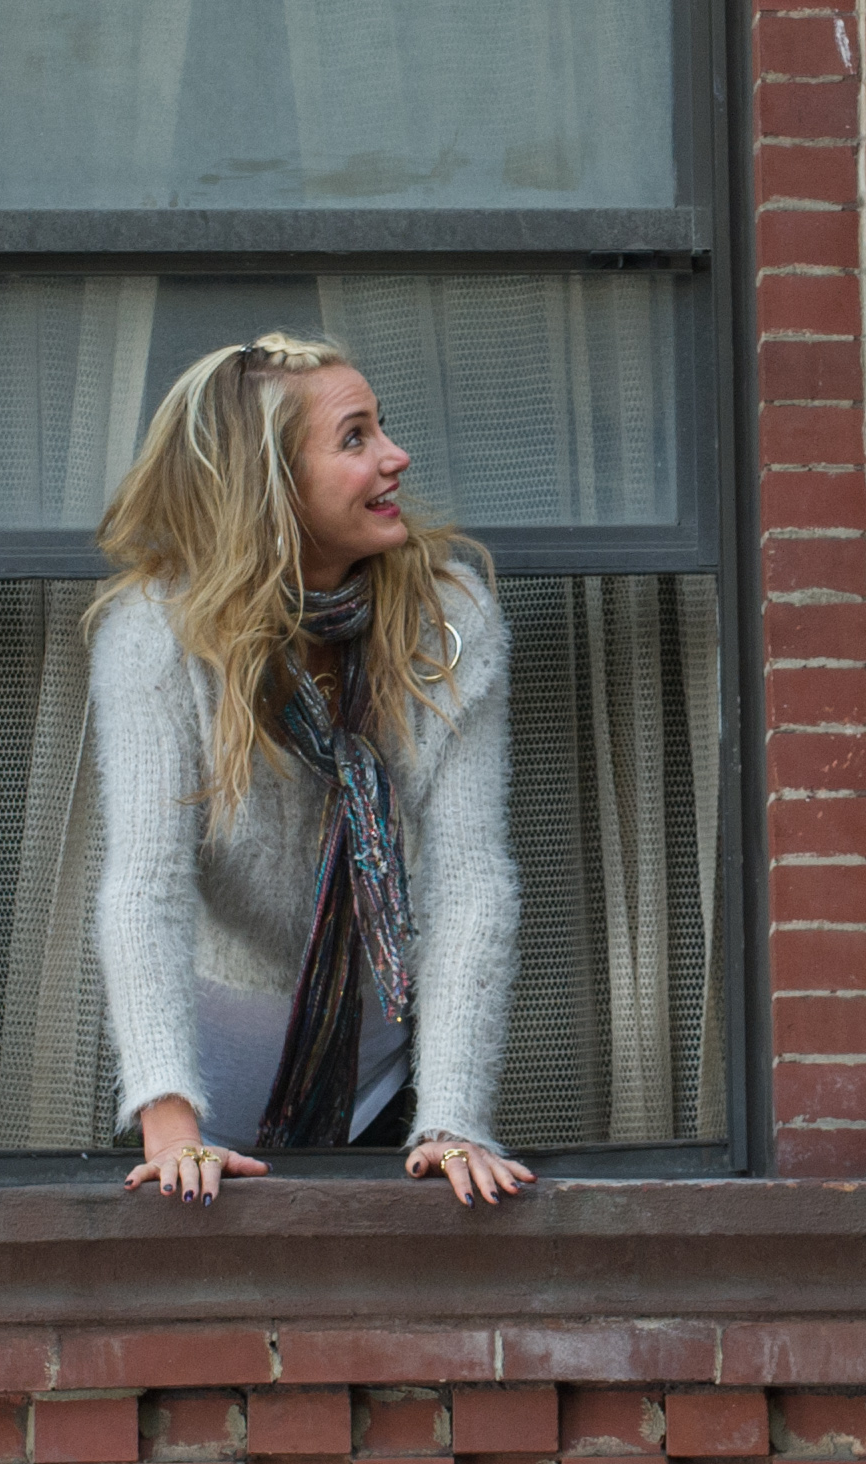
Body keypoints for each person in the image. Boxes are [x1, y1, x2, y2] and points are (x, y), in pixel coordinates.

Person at [87, 332, 534, 1202]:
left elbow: (469, 879)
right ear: (270, 483)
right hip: (198, 1081)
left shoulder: (449, 620)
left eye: (382, 427)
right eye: (355, 437)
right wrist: (169, 1120)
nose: (396, 457)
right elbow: (146, 886)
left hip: (385, 1077)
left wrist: (452, 1118)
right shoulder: (158, 635)